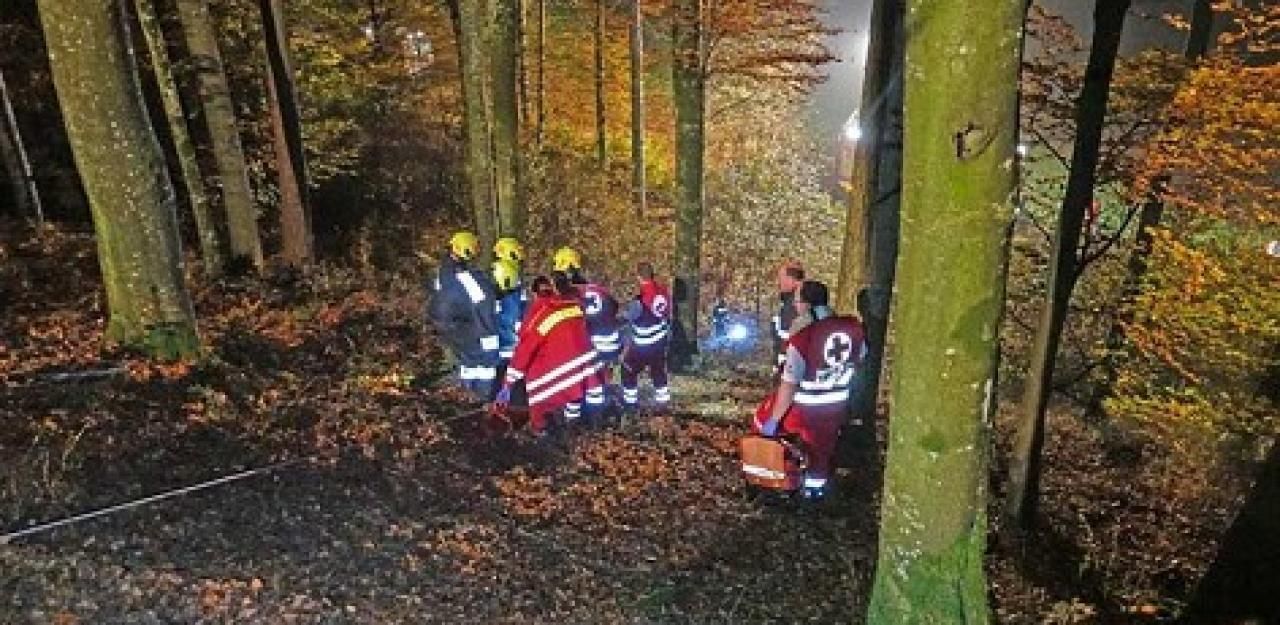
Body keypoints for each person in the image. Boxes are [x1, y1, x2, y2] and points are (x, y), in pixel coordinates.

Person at [752, 280, 866, 501]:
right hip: (838, 405)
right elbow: (860, 358)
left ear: (806, 304)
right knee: (822, 450)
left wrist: (773, 419)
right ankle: (816, 489)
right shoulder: (852, 328)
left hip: (806, 410)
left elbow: (789, 384)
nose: (795, 306)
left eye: (797, 301)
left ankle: (782, 481)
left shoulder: (803, 336)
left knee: (762, 421)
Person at [494, 272, 599, 439]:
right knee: (574, 397)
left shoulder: (544, 312)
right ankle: (573, 428)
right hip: (586, 365)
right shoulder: (576, 305)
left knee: (537, 393)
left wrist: (508, 383)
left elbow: (526, 348)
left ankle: (540, 431)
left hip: (562, 367)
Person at [427, 231, 501, 399]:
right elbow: (485, 309)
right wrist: (490, 342)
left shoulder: (442, 273)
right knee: (485, 367)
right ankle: (483, 398)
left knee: (467, 363)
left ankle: (467, 396)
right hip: (469, 329)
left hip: (451, 328)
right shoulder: (469, 280)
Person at [555, 246, 621, 425]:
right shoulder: (597, 289)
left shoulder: (567, 297)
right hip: (609, 345)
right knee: (597, 384)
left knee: (575, 383)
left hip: (588, 347)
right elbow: (614, 307)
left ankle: (573, 424)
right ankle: (596, 420)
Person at [620, 261, 672, 413]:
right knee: (658, 370)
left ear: (638, 277)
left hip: (643, 343)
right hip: (660, 340)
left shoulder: (640, 298)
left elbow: (630, 317)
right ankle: (663, 404)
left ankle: (630, 405)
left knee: (628, 369)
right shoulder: (663, 291)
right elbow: (666, 314)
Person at [772, 261, 805, 369]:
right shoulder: (788, 301)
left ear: (792, 280)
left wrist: (781, 368)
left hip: (789, 369)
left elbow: (788, 342)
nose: (779, 282)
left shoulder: (795, 305)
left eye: (782, 278)